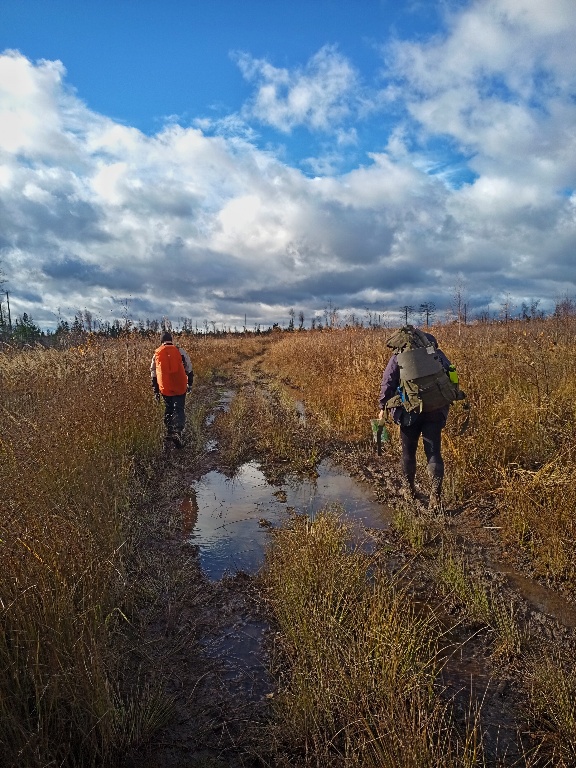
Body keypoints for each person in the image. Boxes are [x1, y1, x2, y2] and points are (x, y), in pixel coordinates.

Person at [378, 328, 454, 511]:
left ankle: (409, 491)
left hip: (409, 412)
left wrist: (382, 407)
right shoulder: (436, 353)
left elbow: (388, 382)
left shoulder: (398, 357)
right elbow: (450, 376)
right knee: (433, 453)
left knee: (408, 453)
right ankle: (435, 497)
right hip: (435, 411)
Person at [151, 331, 194, 447]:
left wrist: (156, 391)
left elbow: (153, 373)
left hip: (165, 387)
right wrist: (190, 383)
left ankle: (169, 431)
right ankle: (177, 432)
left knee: (168, 408)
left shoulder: (157, 353)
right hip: (180, 385)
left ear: (161, 341)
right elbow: (189, 368)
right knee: (179, 408)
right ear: (171, 340)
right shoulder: (179, 351)